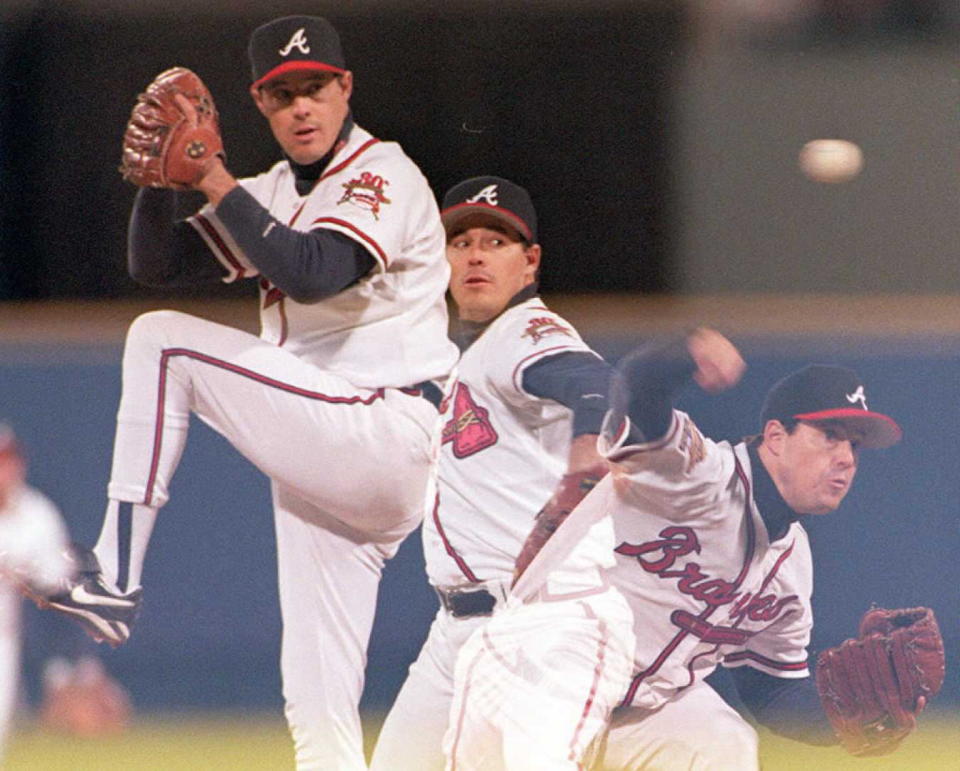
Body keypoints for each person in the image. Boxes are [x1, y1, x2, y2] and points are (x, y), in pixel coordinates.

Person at [39, 15, 457, 771]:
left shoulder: (380, 172)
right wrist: (158, 182)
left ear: (345, 89)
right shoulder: (265, 190)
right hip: (327, 448)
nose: (301, 107)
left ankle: (115, 573)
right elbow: (159, 264)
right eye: (282, 93)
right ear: (260, 106)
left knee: (161, 341)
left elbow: (313, 269)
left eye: (315, 89)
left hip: (389, 428)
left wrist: (209, 177)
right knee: (317, 707)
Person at [444, 331, 908, 770]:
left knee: (722, 745)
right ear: (775, 437)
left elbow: (770, 689)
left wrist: (851, 721)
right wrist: (684, 352)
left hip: (637, 713)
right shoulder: (695, 471)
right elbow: (639, 393)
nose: (846, 457)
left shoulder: (792, 564)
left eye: (854, 444)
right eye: (829, 436)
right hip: (533, 678)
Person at [370, 176, 615, 770]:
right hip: (458, 632)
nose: (476, 254)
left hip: (540, 628)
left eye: (496, 242)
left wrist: (587, 449)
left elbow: (595, 383)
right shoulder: (475, 356)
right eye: (461, 242)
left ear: (529, 263)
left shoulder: (527, 331)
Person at [0, 426, 129, 762]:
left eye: (7, 460)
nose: (3, 470)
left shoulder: (37, 516)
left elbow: (59, 595)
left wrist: (71, 667)